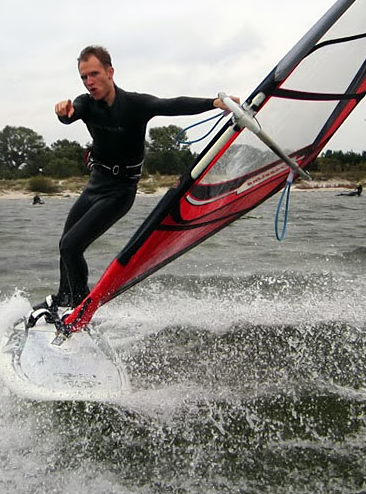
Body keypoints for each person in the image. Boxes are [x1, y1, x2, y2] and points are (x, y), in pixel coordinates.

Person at [29, 45, 236, 325]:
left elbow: (172, 104)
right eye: (84, 77)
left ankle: (79, 307)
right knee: (66, 245)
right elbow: (70, 114)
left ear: (110, 72)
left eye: (94, 74)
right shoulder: (85, 104)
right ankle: (66, 298)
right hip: (96, 185)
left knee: (70, 245)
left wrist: (213, 103)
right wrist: (62, 112)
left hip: (120, 191)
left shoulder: (135, 105)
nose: (89, 82)